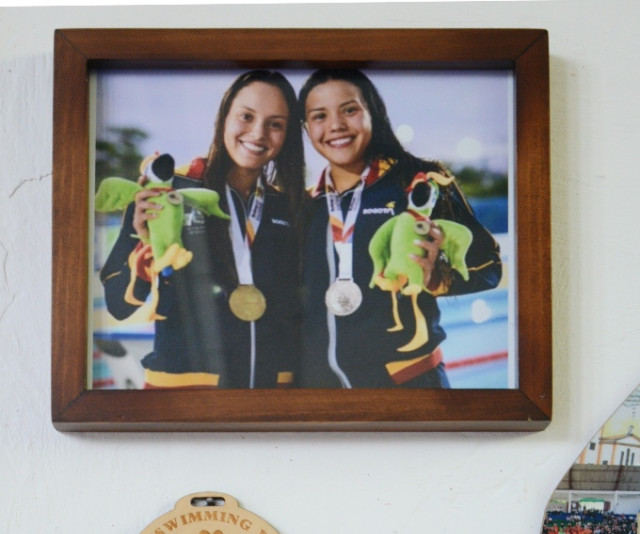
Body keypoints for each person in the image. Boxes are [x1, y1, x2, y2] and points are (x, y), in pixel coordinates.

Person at [297, 68, 502, 389]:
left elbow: (490, 267)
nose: (335, 125)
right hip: (328, 389)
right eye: (319, 116)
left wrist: (438, 277)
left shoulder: (420, 183)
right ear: (306, 128)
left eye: (349, 110)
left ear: (373, 113)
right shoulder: (306, 205)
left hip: (410, 380)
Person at [100, 70, 306, 388]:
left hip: (272, 392)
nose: (258, 132)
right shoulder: (169, 193)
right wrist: (144, 257)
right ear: (224, 118)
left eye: (275, 124)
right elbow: (118, 304)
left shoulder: (288, 205)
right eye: (246, 116)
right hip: (183, 392)